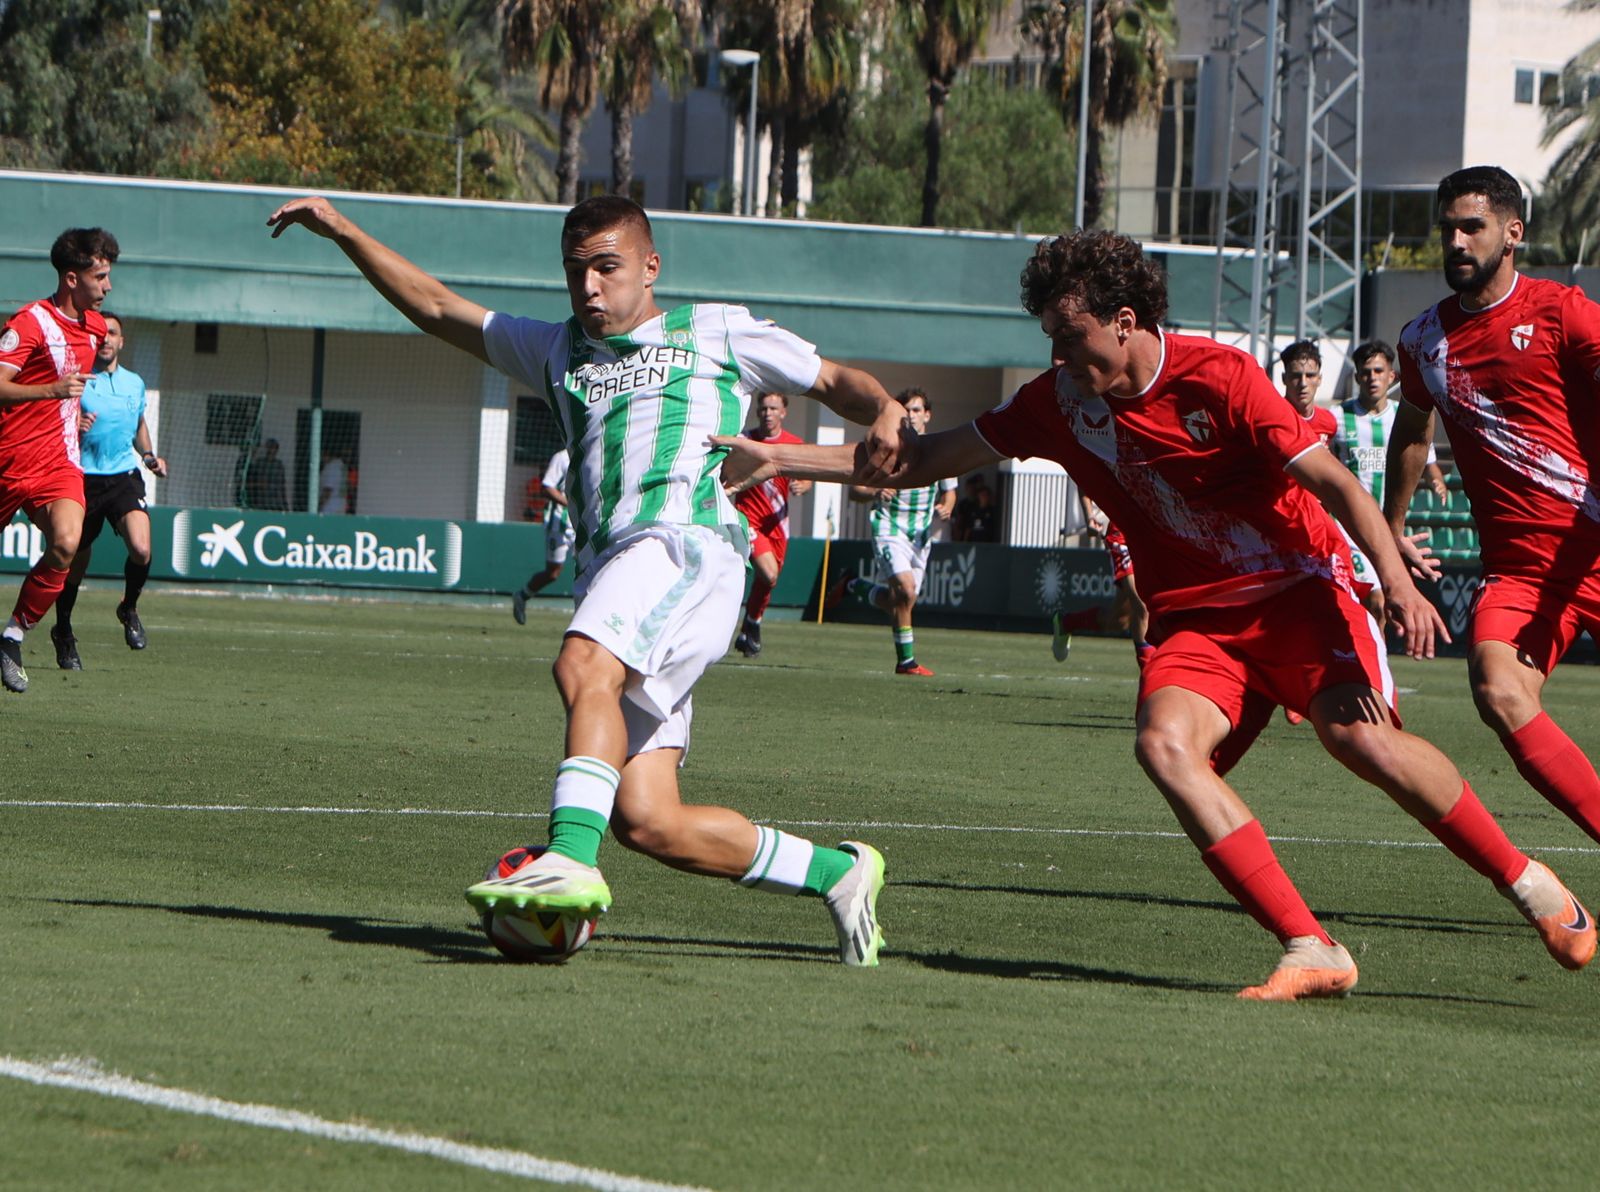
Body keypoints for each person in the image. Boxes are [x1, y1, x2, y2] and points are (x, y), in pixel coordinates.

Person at [720, 228, 1596, 999]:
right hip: (1199, 622)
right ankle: (1311, 945)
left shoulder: (1220, 378)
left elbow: (1330, 480)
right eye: (1053, 343)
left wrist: (1395, 578)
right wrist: (783, 459)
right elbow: (921, 460)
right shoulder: (1056, 404)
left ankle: (1534, 890)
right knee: (1163, 745)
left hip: (1301, 590)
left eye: (1074, 339)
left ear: (1127, 321)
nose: (1062, 361)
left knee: (1358, 739)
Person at [268, 192, 910, 966]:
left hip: (685, 543)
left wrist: (882, 413)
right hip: (619, 567)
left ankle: (569, 860)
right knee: (647, 819)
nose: (590, 289)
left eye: (606, 268)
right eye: (576, 273)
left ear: (650, 265)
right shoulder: (554, 348)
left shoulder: (716, 328)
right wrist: (340, 229)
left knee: (581, 663)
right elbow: (437, 307)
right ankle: (841, 873)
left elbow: (839, 380)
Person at [1385, 164, 1600, 850]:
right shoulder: (1423, 341)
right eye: (1447, 228)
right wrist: (1389, 532)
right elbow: (1413, 434)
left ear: (1512, 234)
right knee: (1498, 689)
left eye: (1471, 227)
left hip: (1592, 547)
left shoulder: (1561, 312)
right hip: (1523, 575)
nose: (1455, 241)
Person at [0, 227, 118, 694]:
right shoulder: (29, 322)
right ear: (73, 278)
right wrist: (50, 390)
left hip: (58, 464)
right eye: (101, 276)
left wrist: (74, 413)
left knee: (68, 542)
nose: (108, 286)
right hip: (8, 461)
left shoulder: (94, 328)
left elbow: (68, 392)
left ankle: (11, 638)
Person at [49, 312, 168, 669]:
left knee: (142, 548)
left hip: (123, 477)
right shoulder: (77, 380)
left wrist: (148, 456)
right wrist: (74, 425)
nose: (105, 338)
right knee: (74, 564)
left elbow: (139, 424)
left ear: (121, 341)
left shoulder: (134, 383)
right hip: (82, 479)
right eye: (100, 332)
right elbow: (52, 425)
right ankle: (64, 631)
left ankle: (128, 607)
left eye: (112, 333)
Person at [827, 388, 957, 676]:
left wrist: (946, 507)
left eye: (916, 410)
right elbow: (856, 493)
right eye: (906, 410)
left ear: (927, 415)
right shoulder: (888, 448)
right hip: (889, 529)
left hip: (920, 537)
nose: (911, 415)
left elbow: (950, 493)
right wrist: (875, 490)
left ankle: (853, 585)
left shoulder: (939, 451)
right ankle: (906, 662)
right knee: (906, 591)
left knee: (901, 601)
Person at [731, 392, 812, 657]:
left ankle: (750, 626)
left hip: (777, 523)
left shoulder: (793, 444)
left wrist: (804, 484)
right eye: (763, 408)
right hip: (748, 517)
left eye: (773, 408)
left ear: (783, 413)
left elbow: (808, 474)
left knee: (769, 579)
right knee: (768, 573)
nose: (767, 413)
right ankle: (750, 624)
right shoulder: (745, 441)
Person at [1062, 493, 1152, 671]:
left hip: (1146, 530)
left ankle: (1068, 622)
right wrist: (1090, 516)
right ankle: (1150, 680)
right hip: (1118, 531)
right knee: (1142, 605)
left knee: (1120, 621)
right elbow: (1084, 480)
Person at [510, 447, 576, 624]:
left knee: (588, 569)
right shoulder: (561, 457)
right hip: (559, 524)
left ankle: (585, 617)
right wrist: (570, 504)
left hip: (583, 524)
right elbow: (547, 487)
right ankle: (522, 596)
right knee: (553, 573)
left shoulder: (594, 452)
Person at [246, 438, 288, 511]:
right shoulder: (260, 463)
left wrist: (284, 504)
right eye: (270, 447)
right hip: (262, 502)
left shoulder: (279, 465)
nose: (272, 450)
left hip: (276, 502)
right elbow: (252, 480)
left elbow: (282, 485)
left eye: (274, 448)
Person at [954, 474, 998, 543]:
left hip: (987, 542)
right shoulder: (971, 508)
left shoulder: (992, 510)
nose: (983, 497)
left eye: (985, 495)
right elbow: (967, 526)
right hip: (973, 540)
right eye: (982, 495)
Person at [318, 448, 348, 514]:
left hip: (330, 506)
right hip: (341, 504)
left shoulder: (331, 467)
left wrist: (320, 504)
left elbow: (328, 489)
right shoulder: (342, 466)